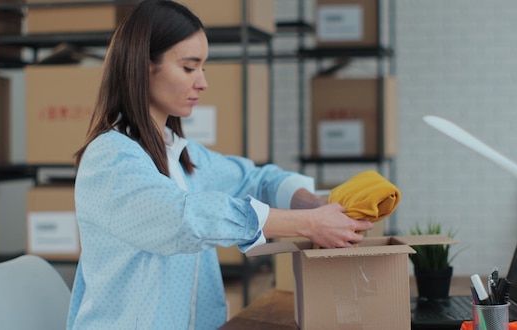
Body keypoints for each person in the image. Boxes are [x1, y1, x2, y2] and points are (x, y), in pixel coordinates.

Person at [66, 0, 374, 329]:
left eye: (203, 68)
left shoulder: (183, 156)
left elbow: (257, 179)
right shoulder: (111, 159)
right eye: (189, 67)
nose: (202, 82)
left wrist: (311, 203)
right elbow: (183, 218)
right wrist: (308, 224)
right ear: (142, 66)